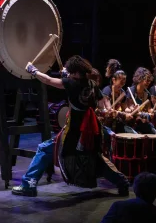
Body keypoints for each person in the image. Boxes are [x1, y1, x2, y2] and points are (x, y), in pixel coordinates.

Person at [11, 55, 129, 197]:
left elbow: (48, 80)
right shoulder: (91, 83)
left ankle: (28, 184)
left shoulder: (71, 84)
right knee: (93, 158)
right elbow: (101, 101)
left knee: (44, 149)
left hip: (75, 131)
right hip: (92, 130)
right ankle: (121, 181)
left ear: (75, 72)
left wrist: (33, 70)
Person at [125, 67, 156, 134]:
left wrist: (152, 112)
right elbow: (129, 107)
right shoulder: (131, 91)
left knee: (153, 131)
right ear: (140, 79)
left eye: (149, 81)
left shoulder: (147, 93)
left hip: (140, 120)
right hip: (130, 121)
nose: (148, 82)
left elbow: (149, 109)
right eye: (147, 80)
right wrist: (133, 109)